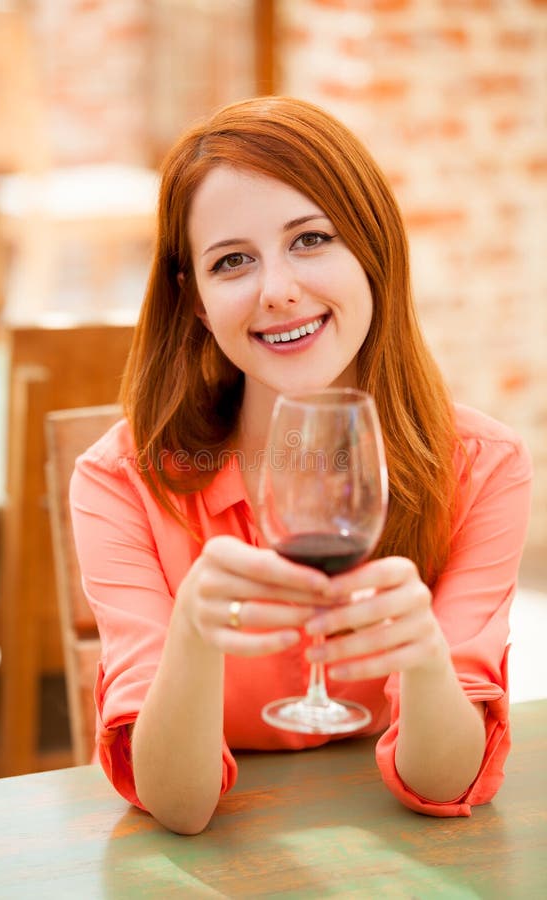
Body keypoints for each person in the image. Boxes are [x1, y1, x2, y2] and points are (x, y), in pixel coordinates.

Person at [70, 96, 532, 834]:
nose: (277, 288)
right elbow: (179, 807)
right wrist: (193, 629)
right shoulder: (121, 482)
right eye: (232, 261)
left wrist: (423, 659)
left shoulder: (481, 468)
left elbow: (448, 785)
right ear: (195, 302)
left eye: (311, 239)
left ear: (374, 248)